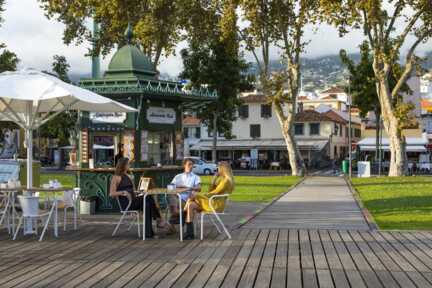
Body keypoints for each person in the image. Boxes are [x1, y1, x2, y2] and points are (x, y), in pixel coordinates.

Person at [109, 157, 169, 237]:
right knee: (148, 199)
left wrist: (140, 193)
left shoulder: (128, 175)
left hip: (133, 200)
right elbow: (111, 193)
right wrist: (123, 192)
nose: (129, 165)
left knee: (147, 202)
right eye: (128, 164)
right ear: (123, 165)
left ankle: (149, 232)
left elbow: (133, 191)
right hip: (126, 203)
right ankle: (158, 220)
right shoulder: (116, 177)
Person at [183, 162, 234, 240]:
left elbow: (213, 193)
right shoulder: (223, 179)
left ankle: (183, 213)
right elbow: (211, 191)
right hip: (212, 202)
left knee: (193, 196)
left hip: (216, 205)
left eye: (218, 168)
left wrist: (199, 195)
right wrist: (214, 179)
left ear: (223, 169)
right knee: (191, 204)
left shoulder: (226, 181)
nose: (217, 170)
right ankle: (190, 233)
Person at [168, 158, 201, 225]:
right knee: (170, 195)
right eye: (189, 164)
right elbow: (170, 187)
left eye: (192, 165)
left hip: (187, 200)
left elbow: (199, 188)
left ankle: (176, 214)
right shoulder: (178, 176)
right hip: (177, 198)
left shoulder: (196, 177)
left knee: (173, 203)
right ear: (184, 165)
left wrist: (189, 188)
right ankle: (179, 213)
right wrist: (180, 187)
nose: (191, 166)